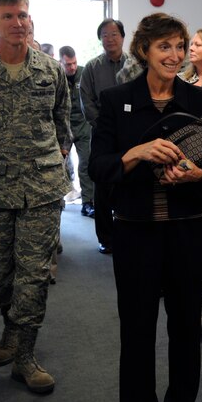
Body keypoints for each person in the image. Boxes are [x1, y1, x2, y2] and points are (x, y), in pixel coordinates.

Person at [88, 12, 202, 402]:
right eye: (164, 46)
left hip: (189, 232)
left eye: (180, 46)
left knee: (186, 330)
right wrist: (136, 152)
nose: (175, 55)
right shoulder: (116, 101)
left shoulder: (200, 100)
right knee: (137, 331)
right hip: (136, 233)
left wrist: (196, 173)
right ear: (143, 50)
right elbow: (98, 167)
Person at [0, 0, 71, 394]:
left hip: (41, 187)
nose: (17, 23)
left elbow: (62, 122)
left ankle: (25, 354)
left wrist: (56, 159)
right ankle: (11, 324)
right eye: (8, 16)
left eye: (22, 15)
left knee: (34, 274)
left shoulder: (50, 70)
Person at [79, 18, 130, 250]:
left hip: (130, 133)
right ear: (100, 39)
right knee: (102, 187)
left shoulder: (135, 65)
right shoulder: (92, 67)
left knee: (128, 183)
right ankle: (106, 239)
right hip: (102, 133)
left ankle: (128, 235)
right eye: (105, 35)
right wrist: (103, 124)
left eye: (114, 34)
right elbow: (86, 99)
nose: (110, 39)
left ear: (122, 37)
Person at [59, 45, 93, 215]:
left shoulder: (84, 73)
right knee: (58, 166)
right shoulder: (56, 76)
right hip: (64, 127)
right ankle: (57, 201)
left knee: (86, 163)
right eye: (68, 64)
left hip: (82, 125)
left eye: (74, 63)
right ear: (61, 62)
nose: (72, 67)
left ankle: (88, 202)